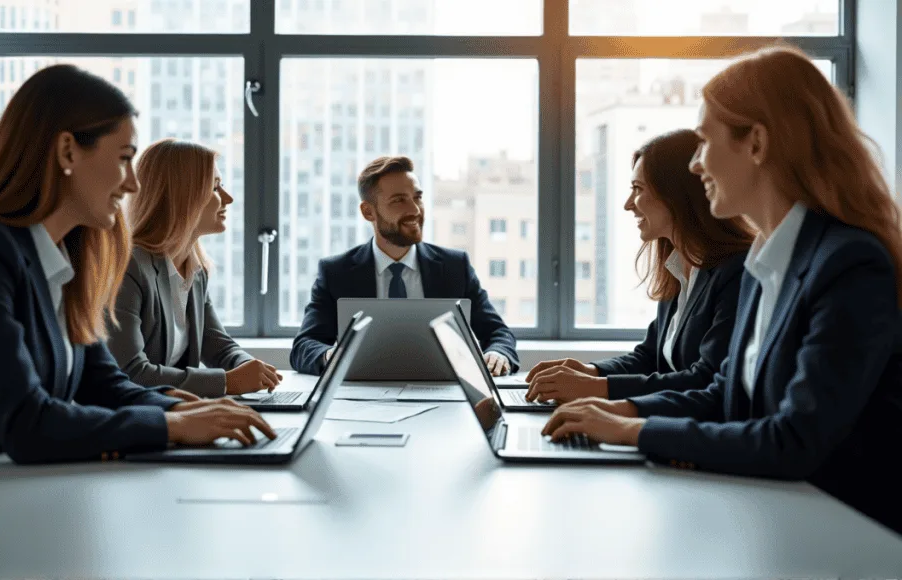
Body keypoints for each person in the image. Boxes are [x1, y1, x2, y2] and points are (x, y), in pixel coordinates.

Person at [539, 45, 902, 534]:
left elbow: (795, 439)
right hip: (773, 516)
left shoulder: (848, 265)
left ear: (755, 143)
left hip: (846, 537)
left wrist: (634, 429)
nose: (695, 165)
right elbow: (721, 393)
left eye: (705, 143)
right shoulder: (765, 264)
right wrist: (615, 409)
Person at [0, 65, 275, 498]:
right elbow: (27, 423)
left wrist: (187, 407)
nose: (133, 183)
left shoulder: (66, 256)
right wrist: (170, 424)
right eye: (124, 157)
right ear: (67, 152)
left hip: (10, 493)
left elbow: (102, 384)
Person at [525, 130, 753, 403]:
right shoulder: (679, 269)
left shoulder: (736, 272)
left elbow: (705, 379)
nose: (628, 204)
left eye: (638, 189)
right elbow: (649, 357)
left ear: (676, 194)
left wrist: (594, 389)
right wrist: (589, 371)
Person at [290, 155, 519, 377]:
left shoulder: (454, 267)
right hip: (361, 399)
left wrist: (498, 353)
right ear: (368, 211)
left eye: (417, 197)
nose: (415, 210)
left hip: (443, 398)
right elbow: (305, 345)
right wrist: (330, 355)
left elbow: (498, 333)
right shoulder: (336, 272)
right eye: (399, 200)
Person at [106, 139, 282, 398]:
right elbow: (130, 372)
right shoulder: (129, 266)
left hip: (175, 415)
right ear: (182, 196)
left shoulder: (195, 271)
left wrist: (247, 366)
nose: (228, 198)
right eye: (216, 187)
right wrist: (228, 382)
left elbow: (218, 346)